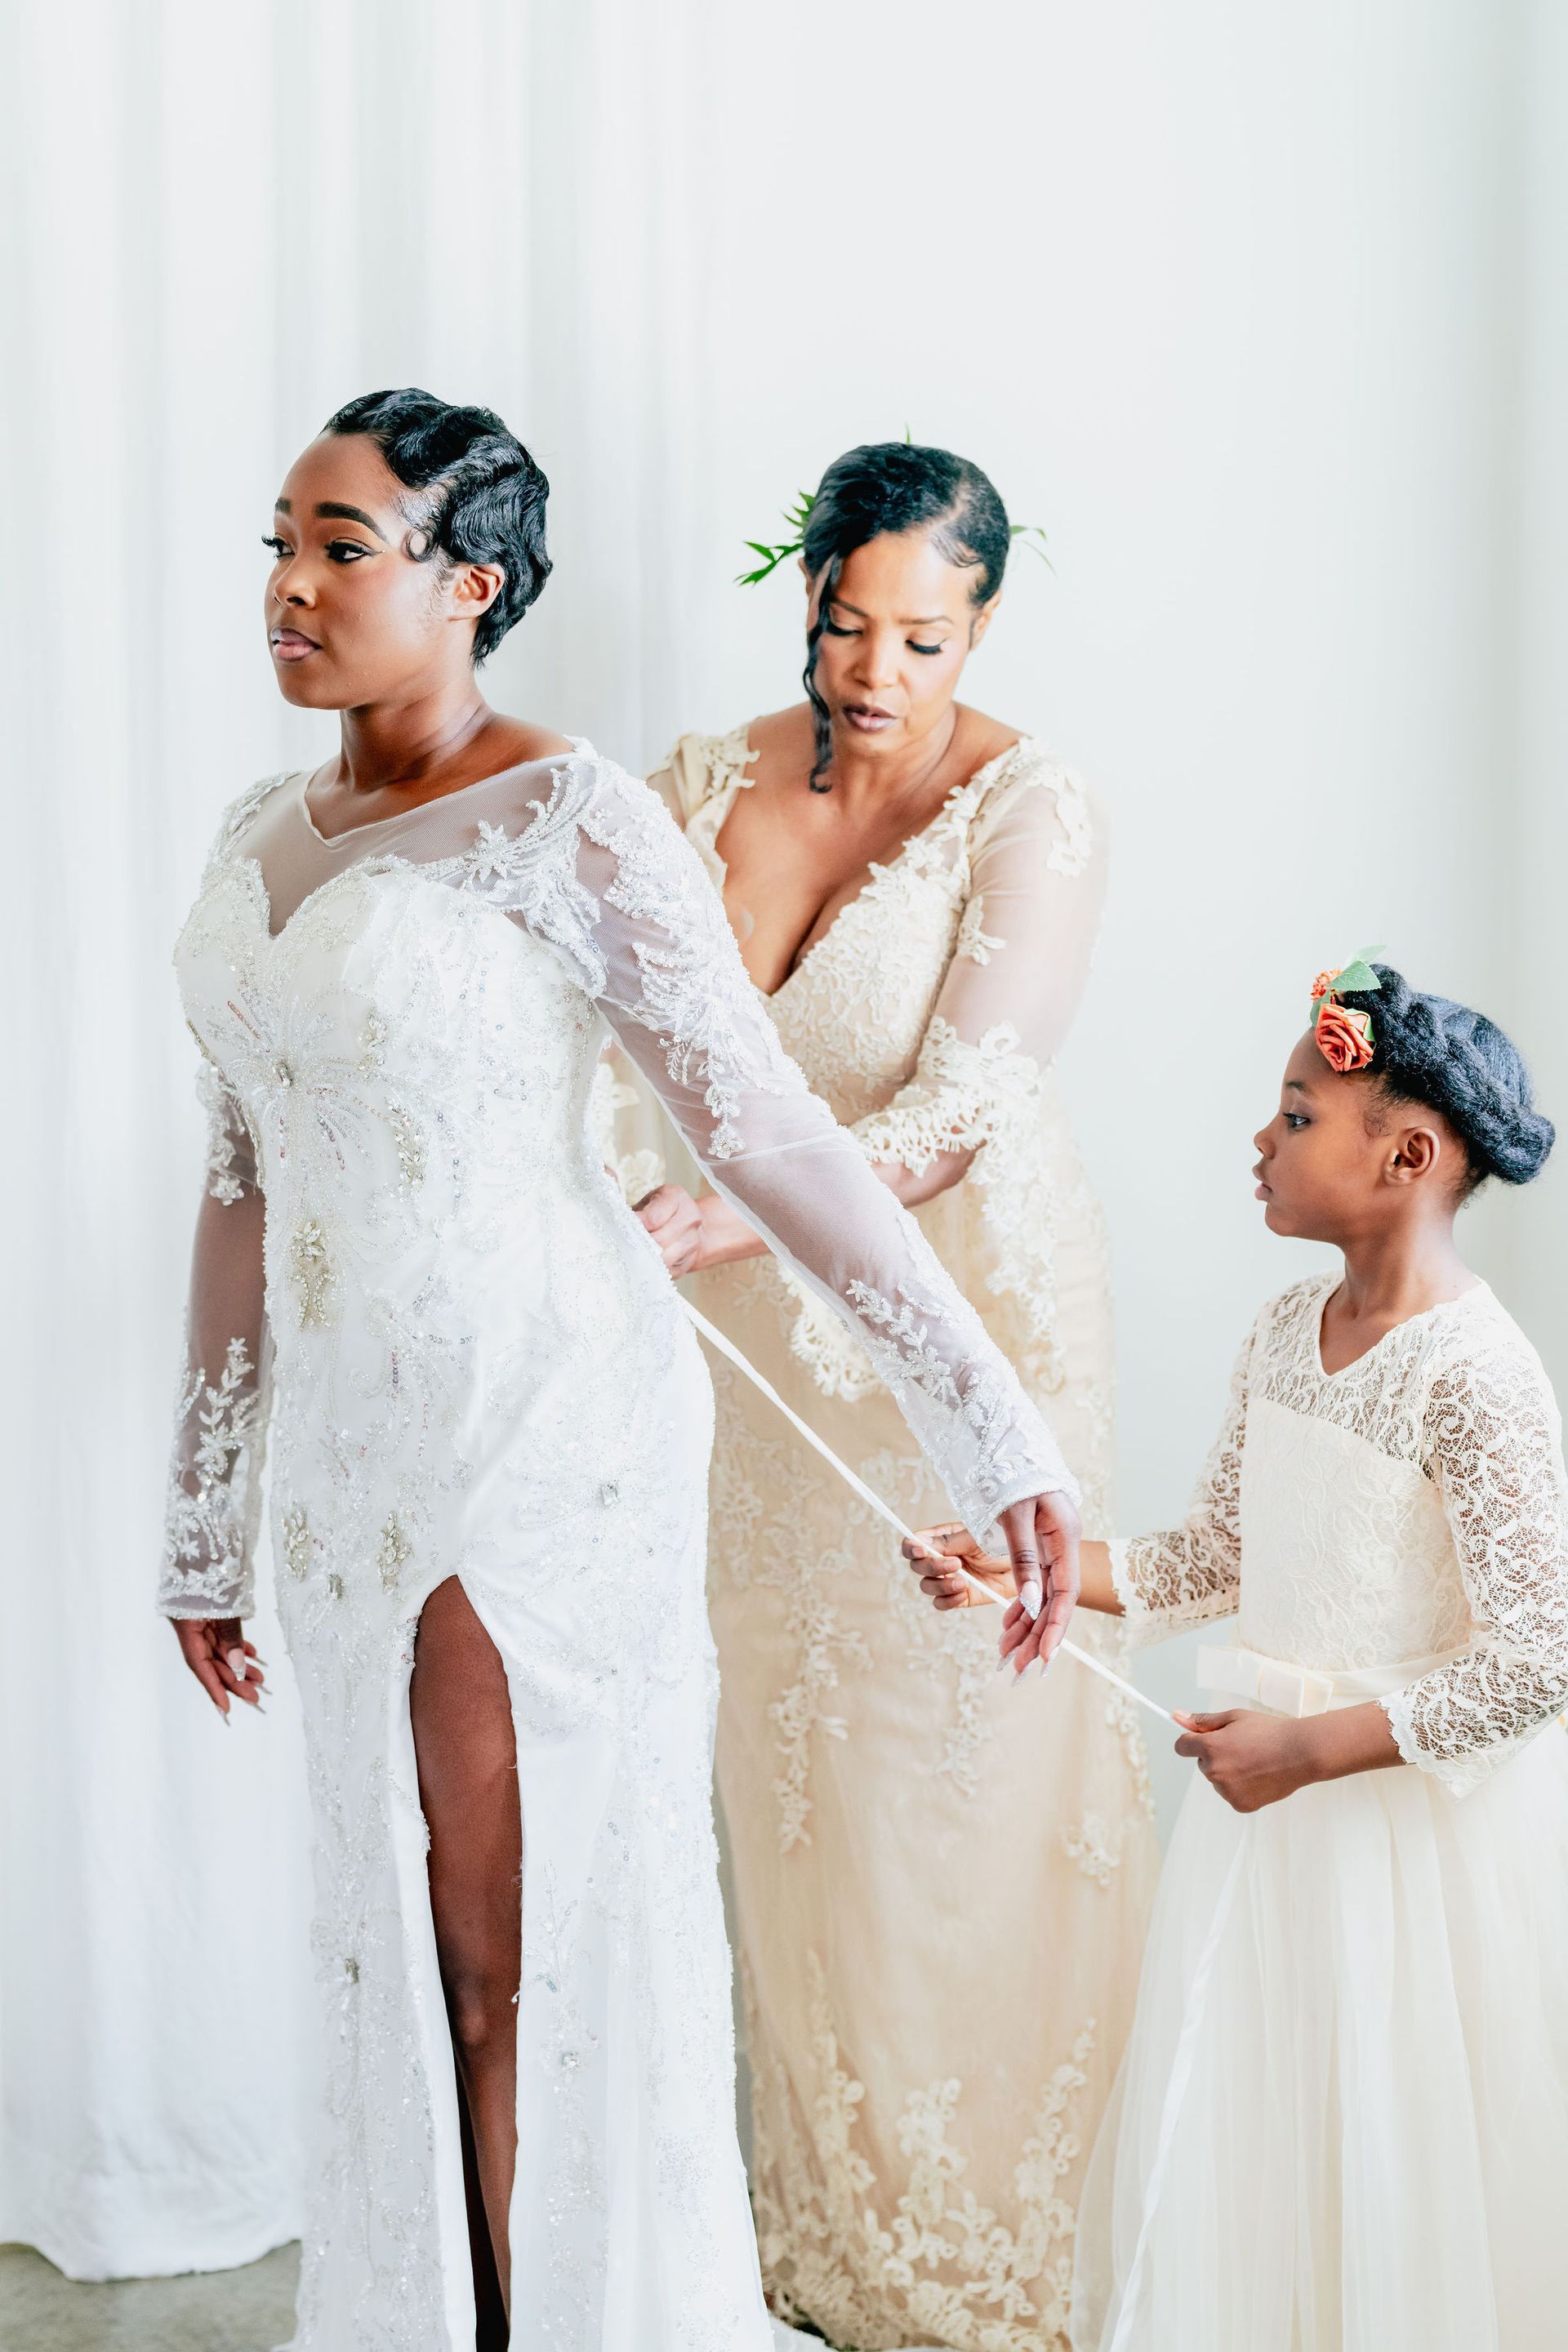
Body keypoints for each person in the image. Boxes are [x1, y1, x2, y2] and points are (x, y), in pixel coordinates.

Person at [157, 390, 1080, 2352]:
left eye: (342, 546)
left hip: (536, 1432)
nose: (290, 586)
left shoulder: (571, 813)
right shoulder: (258, 837)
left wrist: (986, 1420)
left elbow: (768, 1135)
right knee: (385, 1944)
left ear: (470, 582)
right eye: (280, 541)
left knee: (507, 1959)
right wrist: (199, 1514)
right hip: (340, 1463)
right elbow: (239, 1181)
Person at [621, 441, 1157, 2347]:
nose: (872, 672)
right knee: (788, 1779)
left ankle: (986, 2270)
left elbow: (962, 1104)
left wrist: (739, 1214)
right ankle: (812, 2254)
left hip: (955, 1337)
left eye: (920, 638)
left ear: (980, 625)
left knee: (956, 1794)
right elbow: (631, 1027)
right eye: (845, 624)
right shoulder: (701, 781)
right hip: (744, 1361)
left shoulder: (1034, 806)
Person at [906, 960, 1568, 2351]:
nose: (1260, 1142)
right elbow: (1211, 1556)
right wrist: (1014, 1565)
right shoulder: (1285, 1333)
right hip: (1267, 1841)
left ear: (1408, 1155)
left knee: (1388, 2151)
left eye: (1296, 1114)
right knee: (1257, 2137)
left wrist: (1313, 1750)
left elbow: (1538, 1657)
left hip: (1394, 1845)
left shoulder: (1478, 1375)